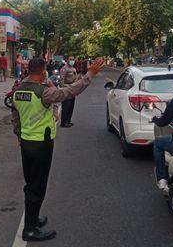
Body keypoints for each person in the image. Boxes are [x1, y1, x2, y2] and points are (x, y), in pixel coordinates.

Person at [11, 57, 104, 241]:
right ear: (43, 71)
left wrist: (19, 134)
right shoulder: (44, 92)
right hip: (41, 144)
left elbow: (15, 115)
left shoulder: (18, 89)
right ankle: (29, 230)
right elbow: (70, 91)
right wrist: (90, 73)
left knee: (31, 183)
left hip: (26, 143)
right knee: (38, 187)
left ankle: (33, 219)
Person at [59, 56, 78, 128]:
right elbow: (61, 80)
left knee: (71, 106)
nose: (72, 61)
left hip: (72, 89)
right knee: (66, 106)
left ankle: (68, 121)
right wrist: (64, 88)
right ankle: (63, 122)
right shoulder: (64, 69)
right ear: (67, 60)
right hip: (66, 89)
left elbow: (75, 78)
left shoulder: (73, 68)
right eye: (70, 59)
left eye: (73, 59)